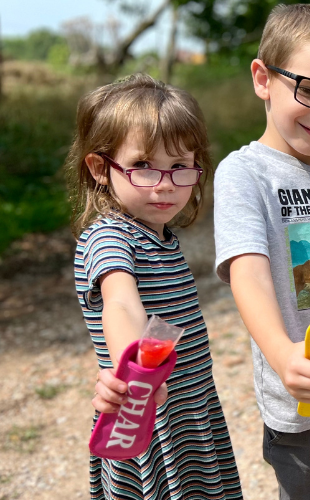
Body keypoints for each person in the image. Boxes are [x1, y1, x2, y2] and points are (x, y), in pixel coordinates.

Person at [212, 4, 310, 499]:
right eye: (309, 90)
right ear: (263, 78)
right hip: (305, 401)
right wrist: (283, 355)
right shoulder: (244, 173)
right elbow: (248, 273)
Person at [68, 74, 243, 499]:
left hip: (188, 412)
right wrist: (137, 377)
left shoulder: (160, 236)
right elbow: (121, 304)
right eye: (143, 165)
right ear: (100, 169)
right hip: (145, 419)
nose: (164, 183)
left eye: (179, 166)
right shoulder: (111, 237)